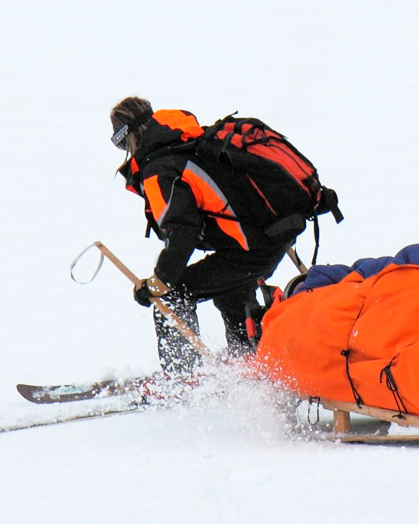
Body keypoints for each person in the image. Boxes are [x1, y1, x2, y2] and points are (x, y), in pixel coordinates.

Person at [110, 96, 295, 373]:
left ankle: (183, 381)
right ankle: (250, 360)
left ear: (131, 135)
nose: (125, 150)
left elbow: (182, 231)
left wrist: (159, 283)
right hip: (267, 238)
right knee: (230, 290)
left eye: (121, 142)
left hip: (251, 248)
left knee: (173, 296)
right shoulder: (190, 142)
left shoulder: (159, 167)